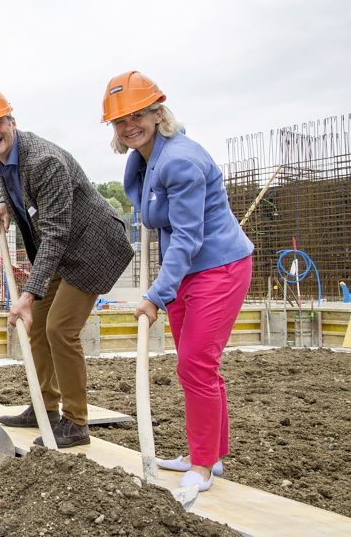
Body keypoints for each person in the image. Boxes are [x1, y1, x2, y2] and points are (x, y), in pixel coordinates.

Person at [103, 71, 253, 491]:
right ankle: (209, 454)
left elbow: (188, 236)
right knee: (197, 368)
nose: (130, 125)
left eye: (137, 115)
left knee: (195, 365)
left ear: (157, 112)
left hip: (218, 268)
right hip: (187, 270)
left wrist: (154, 297)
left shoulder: (180, 160)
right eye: (120, 120)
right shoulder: (148, 158)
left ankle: (202, 466)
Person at [0, 86, 134, 448]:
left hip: (92, 248)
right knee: (37, 326)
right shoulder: (2, 155)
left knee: (60, 329)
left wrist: (27, 293)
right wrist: (3, 203)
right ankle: (45, 406)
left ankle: (76, 422)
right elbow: (22, 192)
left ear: (12, 121)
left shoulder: (45, 161)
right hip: (61, 249)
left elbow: (55, 232)